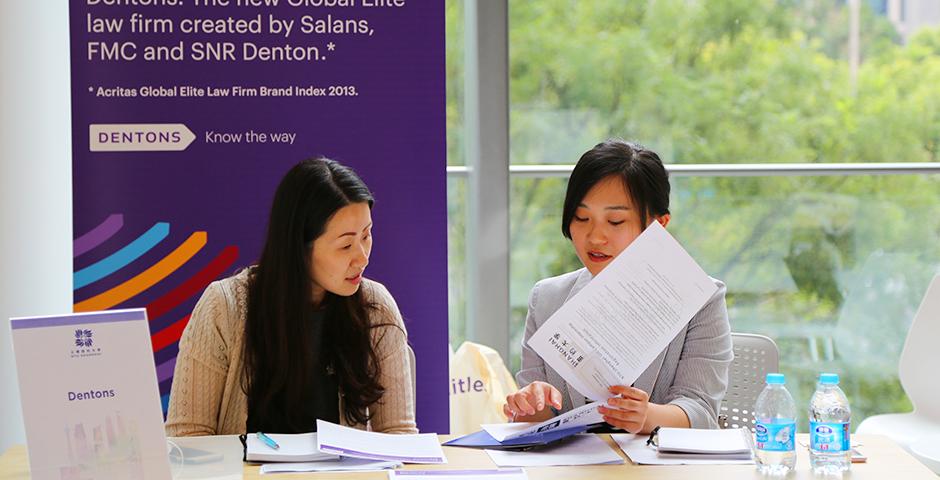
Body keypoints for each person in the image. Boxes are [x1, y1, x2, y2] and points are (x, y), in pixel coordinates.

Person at [166, 158, 416, 436]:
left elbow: (399, 435)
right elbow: (187, 439)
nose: (362, 257)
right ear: (299, 247)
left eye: (367, 236)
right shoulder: (223, 308)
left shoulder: (376, 307)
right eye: (345, 245)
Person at [505, 139, 732, 433]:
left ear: (658, 225)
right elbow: (540, 420)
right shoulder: (547, 298)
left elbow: (701, 410)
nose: (595, 237)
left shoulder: (701, 299)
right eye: (581, 217)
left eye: (615, 221)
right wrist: (528, 405)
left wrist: (647, 416)